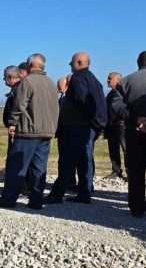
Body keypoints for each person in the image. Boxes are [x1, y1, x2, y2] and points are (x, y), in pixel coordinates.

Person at [0, 54, 59, 209]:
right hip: (47, 132)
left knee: (17, 166)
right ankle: (36, 200)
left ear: (31, 65)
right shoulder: (50, 83)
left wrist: (12, 122)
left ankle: (8, 200)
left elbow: (19, 105)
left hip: (28, 131)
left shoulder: (27, 81)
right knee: (39, 168)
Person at [45, 52, 107, 205]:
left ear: (79, 62)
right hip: (87, 127)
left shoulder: (79, 77)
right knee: (83, 161)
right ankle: (84, 193)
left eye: (71, 62)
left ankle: (57, 194)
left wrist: (88, 120)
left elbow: (82, 101)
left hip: (78, 127)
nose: (69, 64)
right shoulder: (92, 78)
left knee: (68, 161)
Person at [114, 51, 146, 218]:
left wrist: (137, 118)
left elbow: (117, 106)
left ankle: (137, 208)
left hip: (134, 131)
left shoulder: (126, 81)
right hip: (137, 127)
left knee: (135, 172)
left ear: (137, 62)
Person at [104, 72, 127, 179]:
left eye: (110, 78)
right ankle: (116, 171)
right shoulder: (110, 94)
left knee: (126, 149)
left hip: (122, 126)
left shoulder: (123, 92)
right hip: (111, 126)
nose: (107, 80)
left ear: (118, 79)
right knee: (113, 149)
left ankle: (130, 173)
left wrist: (124, 119)